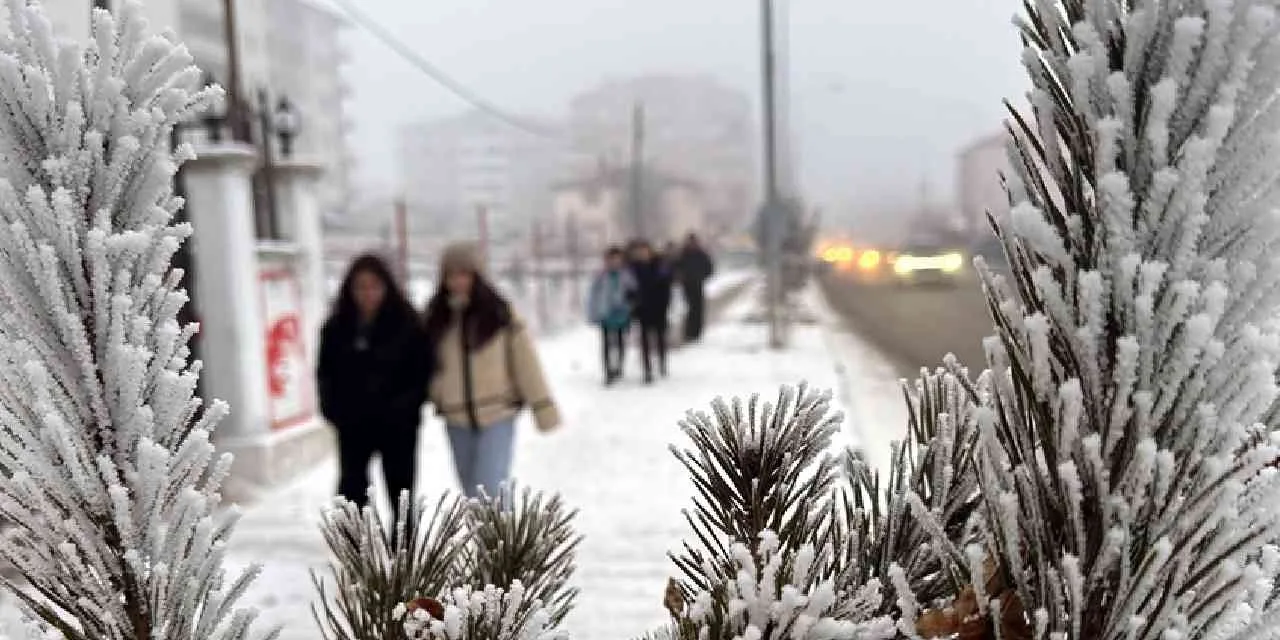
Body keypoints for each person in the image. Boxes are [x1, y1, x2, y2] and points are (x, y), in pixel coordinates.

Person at [423, 242, 561, 498]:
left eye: (464, 274)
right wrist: (435, 393)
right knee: (471, 491)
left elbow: (526, 363)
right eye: (451, 275)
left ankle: (502, 527)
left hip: (498, 413)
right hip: (456, 417)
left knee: (491, 487)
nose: (458, 281)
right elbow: (424, 365)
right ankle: (489, 527)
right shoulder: (436, 318)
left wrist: (543, 407)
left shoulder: (499, 315)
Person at [317, 254, 433, 508]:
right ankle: (356, 535)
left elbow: (422, 372)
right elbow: (325, 373)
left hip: (398, 425)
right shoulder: (337, 328)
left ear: (386, 287)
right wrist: (334, 410)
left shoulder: (408, 324)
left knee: (401, 496)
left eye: (374, 286)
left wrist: (406, 407)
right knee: (351, 493)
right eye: (361, 287)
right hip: (353, 425)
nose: (368, 294)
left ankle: (403, 536)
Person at [587, 246, 637, 385]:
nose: (615, 262)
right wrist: (593, 312)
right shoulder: (600, 275)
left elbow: (633, 290)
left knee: (620, 340)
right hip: (605, 312)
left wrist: (631, 304)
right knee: (606, 343)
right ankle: (608, 371)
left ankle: (619, 366)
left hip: (622, 312)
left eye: (617, 259)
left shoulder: (626, 275)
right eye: (612, 259)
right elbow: (593, 295)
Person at [629, 240, 674, 382]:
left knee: (660, 338)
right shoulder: (634, 268)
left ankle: (662, 363)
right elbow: (630, 289)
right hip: (642, 309)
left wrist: (666, 304)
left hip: (659, 308)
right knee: (644, 341)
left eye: (645, 251)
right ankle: (647, 370)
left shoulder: (659, 266)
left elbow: (667, 286)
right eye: (640, 252)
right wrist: (634, 304)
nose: (643, 254)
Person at [676, 233, 715, 342]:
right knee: (691, 308)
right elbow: (677, 267)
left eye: (693, 242)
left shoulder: (701, 255)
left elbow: (709, 268)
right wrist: (681, 277)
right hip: (687, 285)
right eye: (690, 242)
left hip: (698, 284)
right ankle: (689, 332)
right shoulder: (683, 255)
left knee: (698, 308)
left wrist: (702, 277)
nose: (692, 244)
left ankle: (697, 332)